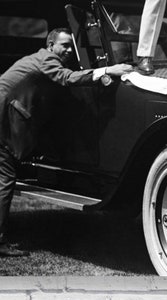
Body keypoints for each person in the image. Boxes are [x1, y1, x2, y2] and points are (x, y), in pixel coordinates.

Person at [0, 28, 132, 257]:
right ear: (51, 45)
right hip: (2, 120)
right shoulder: (47, 58)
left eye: (72, 46)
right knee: (5, 180)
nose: (69, 50)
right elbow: (67, 78)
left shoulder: (39, 58)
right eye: (64, 45)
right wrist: (108, 70)